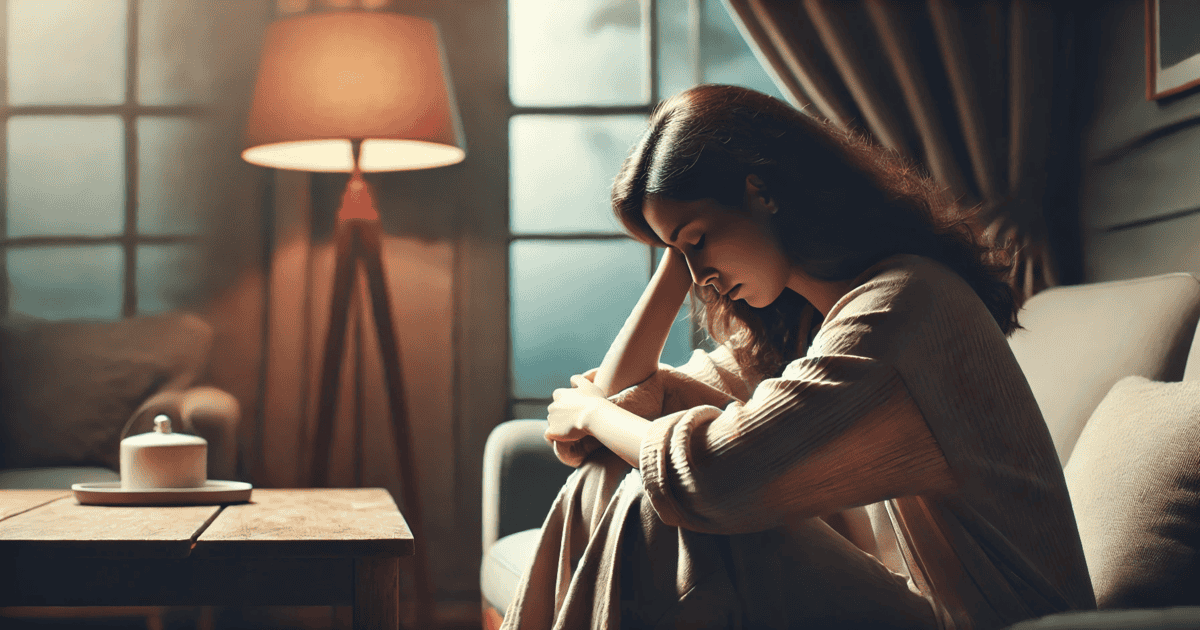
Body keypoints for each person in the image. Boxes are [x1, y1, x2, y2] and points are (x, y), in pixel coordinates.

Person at [500, 84, 1095, 630]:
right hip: (911, 605)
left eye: (699, 238)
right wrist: (680, 252)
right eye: (677, 254)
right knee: (616, 472)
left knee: (653, 498)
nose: (700, 277)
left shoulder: (902, 306)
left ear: (762, 191)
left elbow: (711, 476)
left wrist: (591, 416)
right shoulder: (812, 320)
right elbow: (623, 397)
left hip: (991, 624)